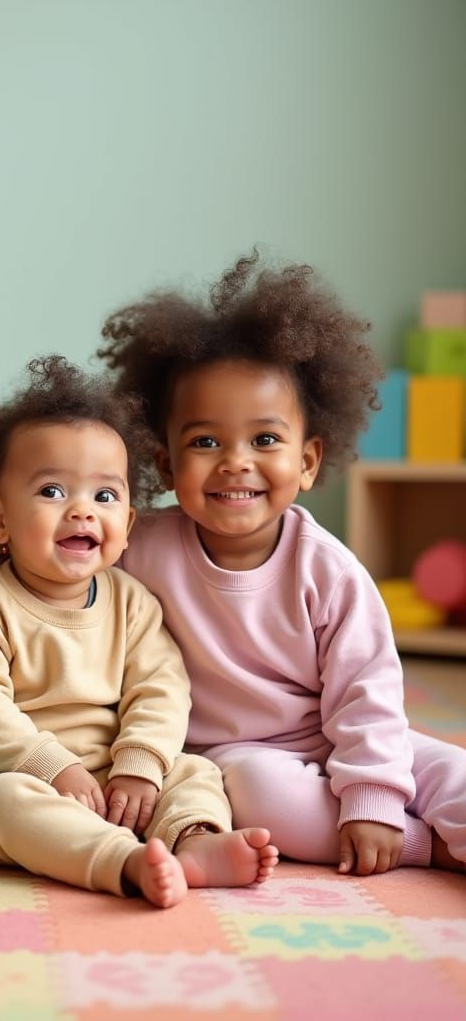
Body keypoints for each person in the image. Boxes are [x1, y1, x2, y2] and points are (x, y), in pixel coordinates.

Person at [101, 250, 466, 876]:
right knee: (258, 794)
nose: (236, 461)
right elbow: (58, 534)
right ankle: (422, 849)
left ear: (308, 460)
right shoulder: (141, 544)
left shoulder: (326, 568)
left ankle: (407, 816)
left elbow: (367, 689)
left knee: (446, 767)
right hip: (239, 754)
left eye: (265, 439)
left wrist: (373, 792)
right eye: (205, 441)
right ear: (166, 466)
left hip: (336, 732)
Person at [0, 356, 278, 909]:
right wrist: (53, 767)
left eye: (105, 496)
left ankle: (195, 841)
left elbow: (161, 688)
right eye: (51, 492)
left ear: (128, 527)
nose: (81, 513)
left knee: (195, 769)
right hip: (22, 772)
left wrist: (140, 765)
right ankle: (121, 860)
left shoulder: (131, 602)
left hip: (117, 771)